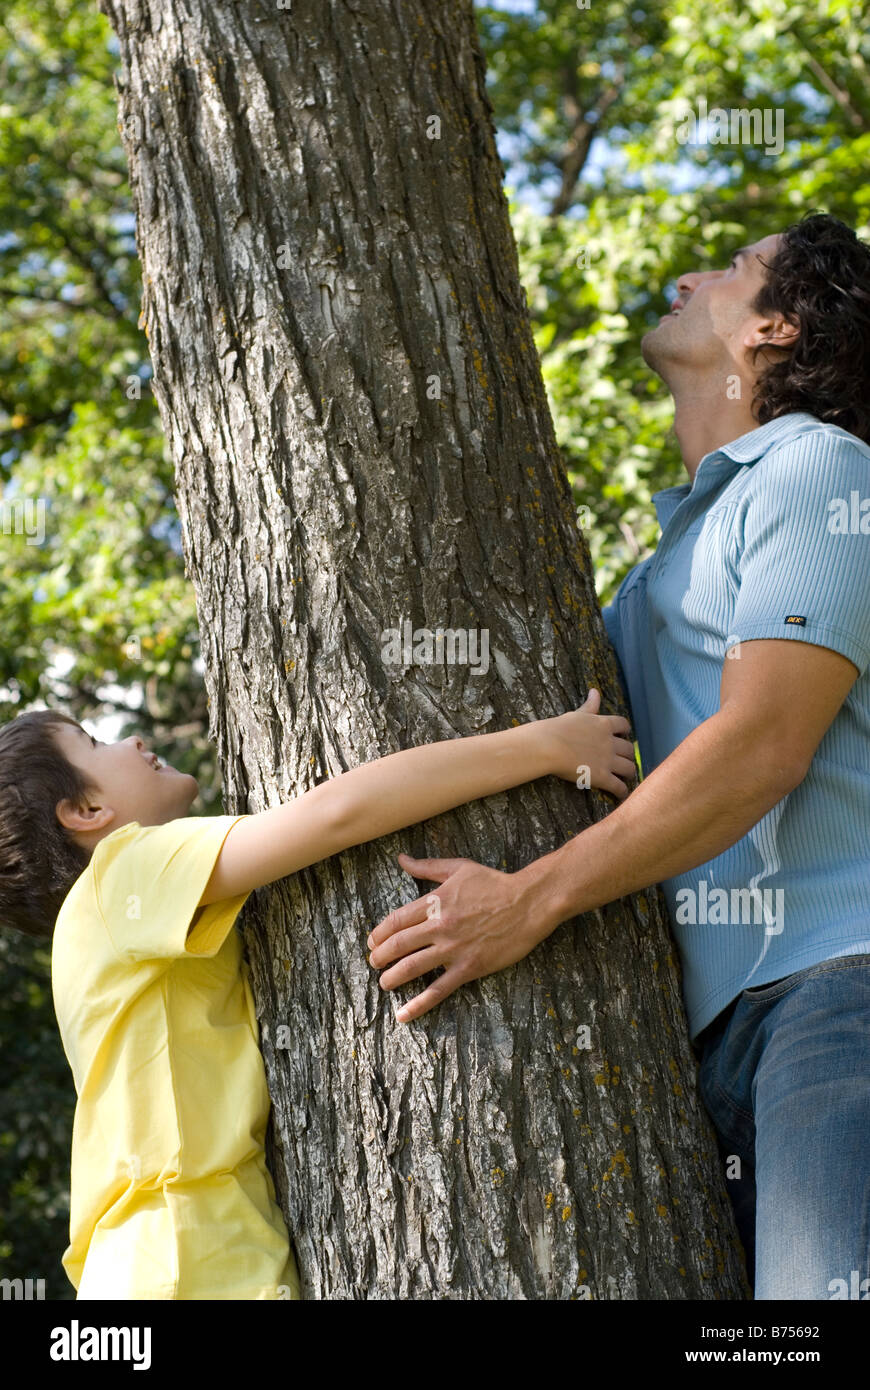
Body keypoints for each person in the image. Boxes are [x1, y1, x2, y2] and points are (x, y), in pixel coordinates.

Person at [366, 212, 870, 1300]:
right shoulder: (669, 558)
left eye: (732, 269)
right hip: (708, 1035)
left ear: (776, 327)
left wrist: (529, 899)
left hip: (839, 988)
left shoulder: (823, 473)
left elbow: (761, 746)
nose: (690, 273)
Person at [0, 691, 634, 1299]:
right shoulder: (122, 871)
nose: (131, 739)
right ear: (85, 813)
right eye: (94, 742)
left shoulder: (101, 927)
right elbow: (339, 814)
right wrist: (545, 745)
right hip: (183, 1260)